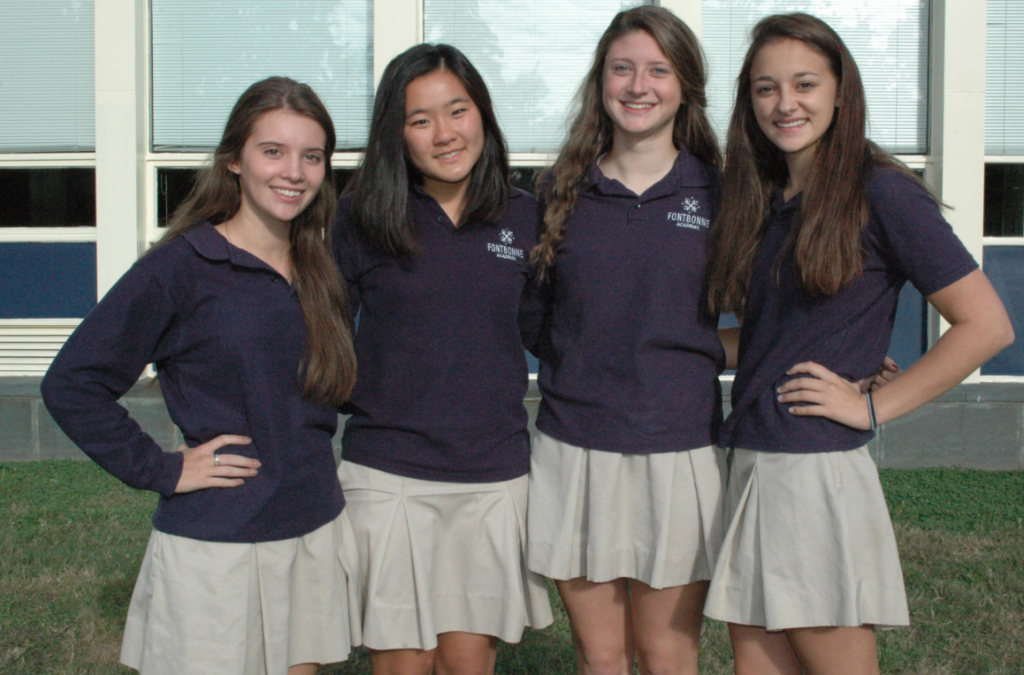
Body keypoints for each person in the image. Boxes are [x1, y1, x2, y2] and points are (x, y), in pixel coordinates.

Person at [702, 13, 1015, 675]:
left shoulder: (880, 191)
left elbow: (987, 325)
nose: (785, 103)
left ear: (842, 90)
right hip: (754, 458)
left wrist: (873, 405)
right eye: (765, 88)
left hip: (813, 474)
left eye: (805, 83)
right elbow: (764, 340)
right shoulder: (769, 195)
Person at [41, 77, 360, 675]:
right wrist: (162, 468)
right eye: (273, 151)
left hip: (312, 526)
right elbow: (71, 383)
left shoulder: (320, 267)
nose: (293, 171)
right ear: (234, 161)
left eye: (311, 156)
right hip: (219, 542)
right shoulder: (180, 268)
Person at [332, 44, 553, 675]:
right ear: (395, 134)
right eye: (420, 119)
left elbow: (550, 332)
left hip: (491, 475)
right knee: (403, 662)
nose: (445, 133)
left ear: (482, 113)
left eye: (458, 111)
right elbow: (320, 336)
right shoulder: (362, 216)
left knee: (467, 662)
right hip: (389, 475)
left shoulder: (524, 215)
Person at [526, 7, 727, 675]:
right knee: (601, 653)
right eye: (622, 68)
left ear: (685, 86)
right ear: (601, 81)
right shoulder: (559, 190)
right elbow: (535, 318)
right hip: (573, 447)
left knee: (667, 651)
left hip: (678, 448)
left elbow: (777, 311)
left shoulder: (724, 192)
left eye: (658, 69)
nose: (638, 85)